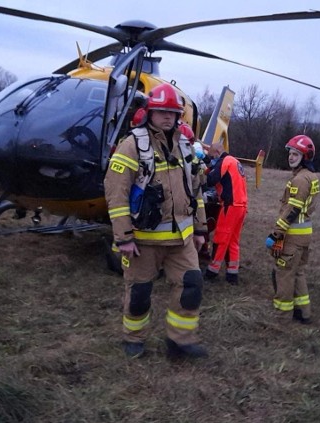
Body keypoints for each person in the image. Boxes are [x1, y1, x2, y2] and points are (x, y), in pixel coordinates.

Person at [104, 82, 210, 359]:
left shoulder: (186, 147)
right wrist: (123, 237)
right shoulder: (131, 146)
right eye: (161, 111)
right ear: (150, 112)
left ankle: (180, 342)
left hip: (182, 240)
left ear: (179, 116)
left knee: (191, 287)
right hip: (143, 241)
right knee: (139, 293)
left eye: (172, 113)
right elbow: (116, 195)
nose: (167, 117)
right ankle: (134, 339)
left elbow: (195, 191)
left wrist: (200, 229)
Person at [266, 135, 319, 324]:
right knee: (298, 272)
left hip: (293, 235)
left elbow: (292, 210)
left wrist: (276, 233)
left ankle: (282, 316)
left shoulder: (300, 180)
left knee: (285, 273)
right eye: (290, 152)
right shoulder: (310, 176)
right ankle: (303, 312)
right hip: (304, 234)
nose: (291, 157)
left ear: (305, 157)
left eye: (296, 154)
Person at [203, 142, 248, 284]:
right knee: (233, 240)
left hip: (230, 206)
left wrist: (206, 166)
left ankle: (212, 270)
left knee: (220, 238)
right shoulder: (235, 161)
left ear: (216, 152)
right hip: (241, 206)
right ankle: (232, 273)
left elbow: (211, 180)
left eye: (212, 156)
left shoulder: (225, 162)